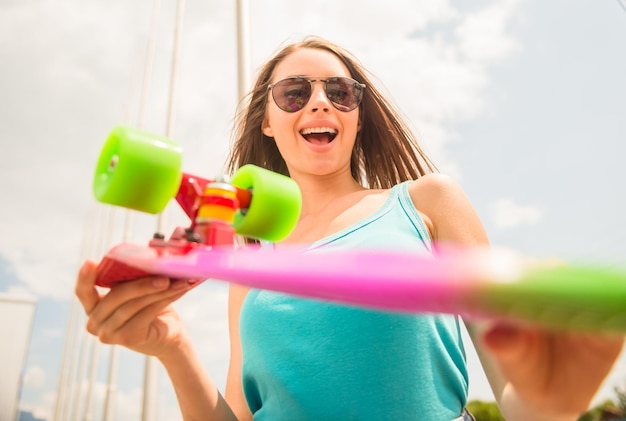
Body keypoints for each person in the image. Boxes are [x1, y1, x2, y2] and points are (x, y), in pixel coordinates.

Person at [75, 36, 624, 420]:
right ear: (268, 121)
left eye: (340, 92)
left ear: (356, 116)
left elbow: (518, 397)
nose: (319, 101)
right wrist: (174, 348)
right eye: (295, 93)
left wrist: (553, 407)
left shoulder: (428, 202)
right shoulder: (250, 259)